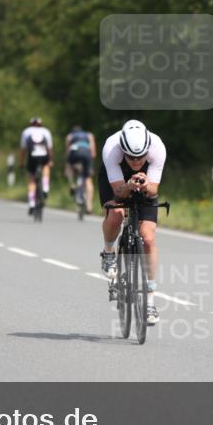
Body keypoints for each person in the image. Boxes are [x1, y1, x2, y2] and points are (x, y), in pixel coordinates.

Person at [98, 120, 167, 325]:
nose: (136, 161)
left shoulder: (157, 147)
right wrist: (128, 185)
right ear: (123, 151)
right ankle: (109, 251)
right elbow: (118, 192)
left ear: (147, 150)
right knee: (116, 213)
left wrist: (146, 186)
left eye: (140, 157)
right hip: (117, 180)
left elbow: (153, 190)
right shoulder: (111, 148)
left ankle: (150, 302)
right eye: (131, 157)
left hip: (145, 182)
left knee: (147, 238)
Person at [19, 117, 53, 214]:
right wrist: (50, 161)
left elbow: (23, 150)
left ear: (30, 124)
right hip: (44, 156)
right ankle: (45, 188)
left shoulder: (26, 132)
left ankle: (31, 203)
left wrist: (21, 163)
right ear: (41, 124)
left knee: (31, 180)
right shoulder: (46, 131)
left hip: (32, 157)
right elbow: (49, 149)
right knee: (46, 167)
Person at [65, 124, 96, 213]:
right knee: (88, 180)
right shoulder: (89, 135)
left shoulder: (70, 136)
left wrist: (67, 166)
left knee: (70, 168)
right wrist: (90, 166)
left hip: (74, 153)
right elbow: (93, 153)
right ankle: (89, 206)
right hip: (86, 153)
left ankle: (71, 183)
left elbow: (67, 152)